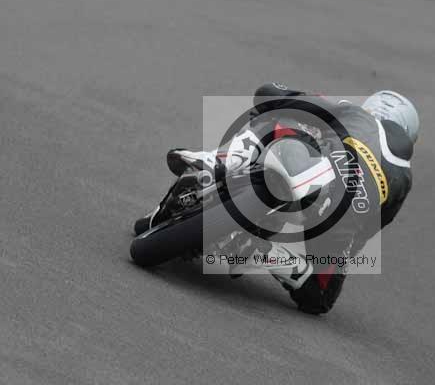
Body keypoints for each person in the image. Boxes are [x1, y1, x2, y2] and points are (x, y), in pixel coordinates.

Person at [162, 83, 419, 314]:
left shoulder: (353, 112)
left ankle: (220, 161)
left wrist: (274, 96)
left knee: (275, 113)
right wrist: (335, 255)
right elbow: (365, 232)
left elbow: (272, 94)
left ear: (373, 107)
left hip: (313, 176)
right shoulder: (403, 180)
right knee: (319, 298)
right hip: (337, 221)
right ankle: (263, 252)